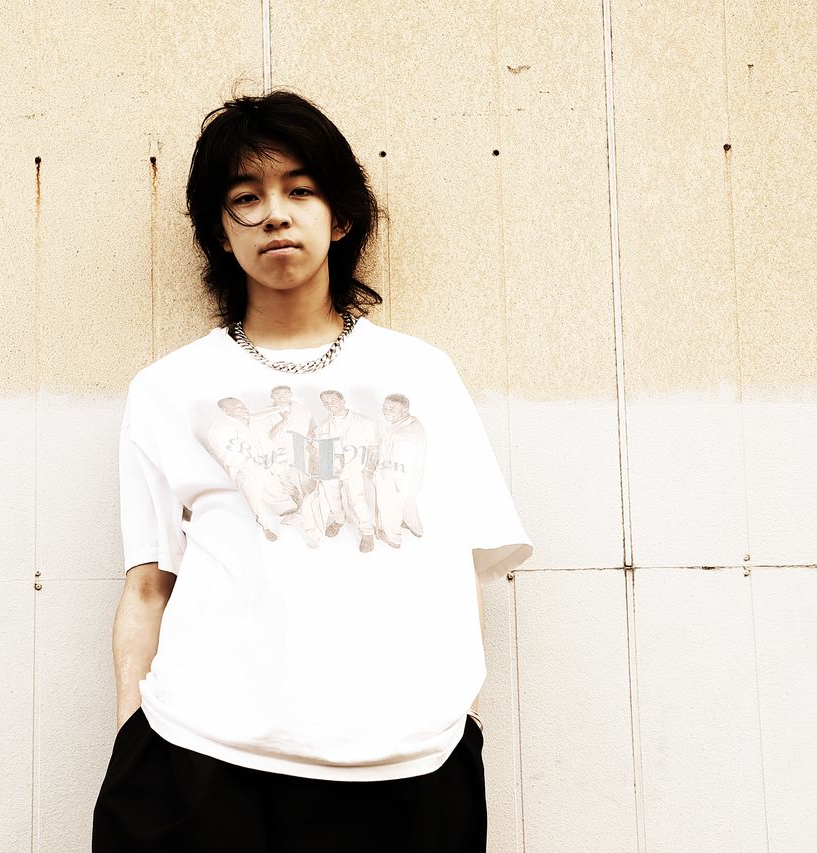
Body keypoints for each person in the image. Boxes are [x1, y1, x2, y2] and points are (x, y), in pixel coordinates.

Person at [93, 89, 534, 853]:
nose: (274, 214)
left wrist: (447, 715)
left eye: (300, 190)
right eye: (246, 197)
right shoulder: (169, 389)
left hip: (403, 767)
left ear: (341, 218)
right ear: (220, 231)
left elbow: (460, 562)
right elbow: (146, 586)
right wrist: (136, 734)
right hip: (204, 754)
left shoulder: (421, 376)